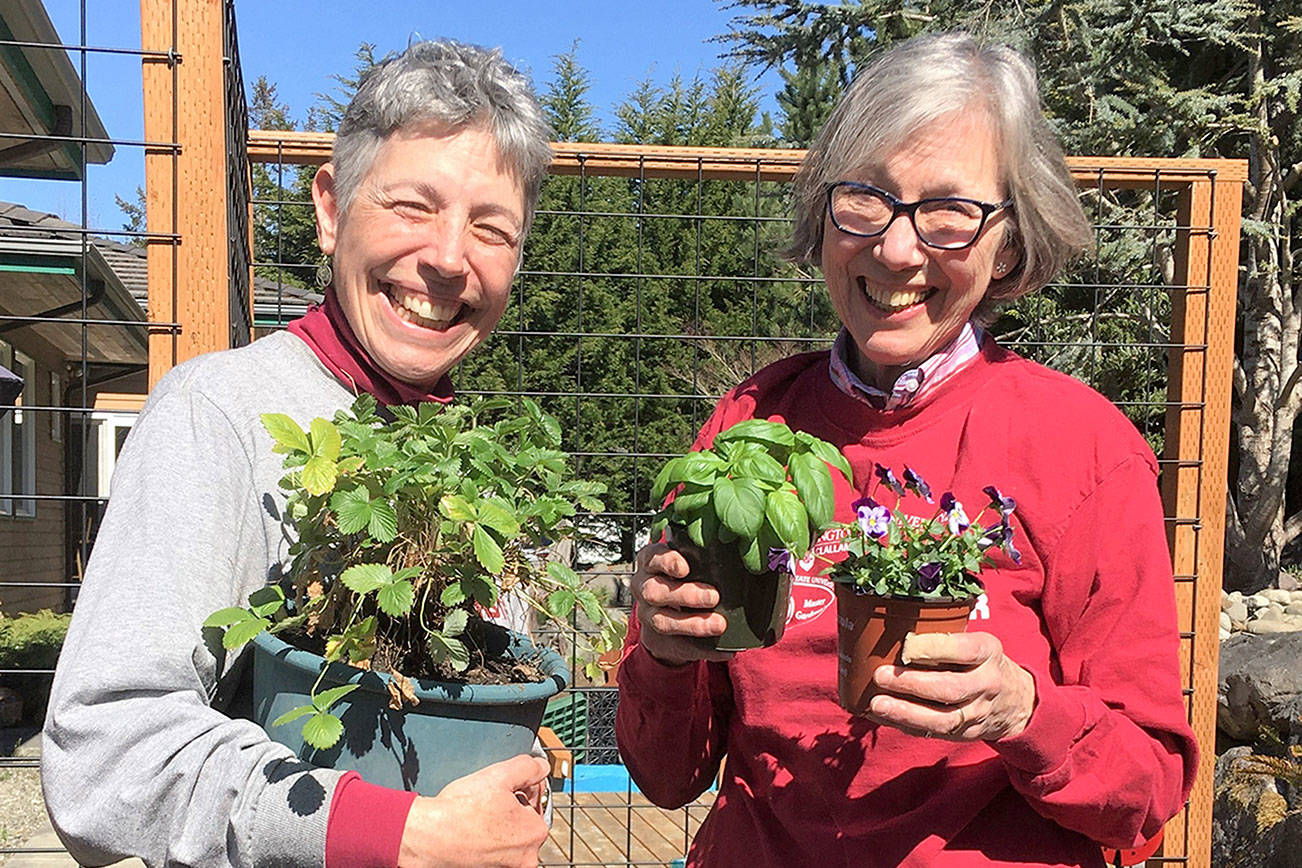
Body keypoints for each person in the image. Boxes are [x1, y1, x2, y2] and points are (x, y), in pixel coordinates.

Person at [616, 32, 1198, 867]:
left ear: (1011, 244)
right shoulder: (750, 426)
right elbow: (668, 776)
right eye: (866, 199)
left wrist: (1023, 713)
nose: (896, 248)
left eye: (950, 213)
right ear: (823, 215)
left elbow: (1146, 797)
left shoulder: (1083, 449)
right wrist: (664, 654)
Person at [43, 39, 556, 868]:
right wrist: (398, 834)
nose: (450, 258)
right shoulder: (219, 415)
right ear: (329, 207)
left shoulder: (475, 473)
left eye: (492, 228)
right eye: (413, 206)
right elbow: (105, 758)